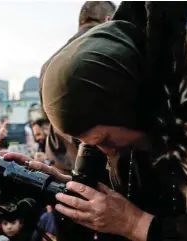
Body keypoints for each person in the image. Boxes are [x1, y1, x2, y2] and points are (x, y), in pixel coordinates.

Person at [4, 2, 187, 241]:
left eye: (106, 139)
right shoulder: (146, 128)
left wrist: (136, 224)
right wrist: (68, 188)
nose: (107, 151)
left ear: (130, 106)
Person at [40, 1, 116, 174]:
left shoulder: (50, 63)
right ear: (108, 20)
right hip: (98, 171)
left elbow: (48, 115)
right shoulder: (110, 54)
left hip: (59, 166)